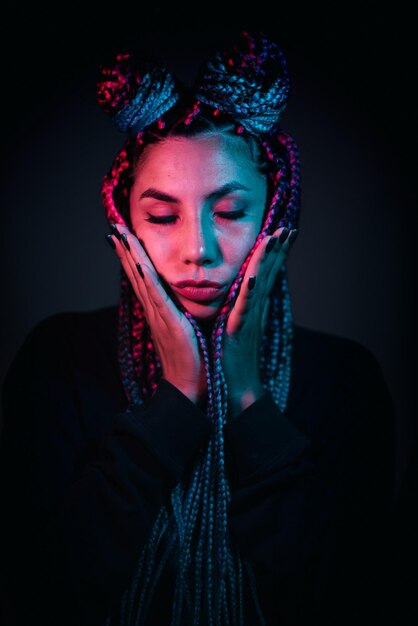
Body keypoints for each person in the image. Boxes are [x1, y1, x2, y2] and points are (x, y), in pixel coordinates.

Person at [0, 30, 397, 626]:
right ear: (124, 221)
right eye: (162, 215)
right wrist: (175, 400)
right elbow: (45, 590)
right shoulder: (57, 362)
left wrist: (247, 397)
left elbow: (341, 597)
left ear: (276, 212)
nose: (198, 250)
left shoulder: (347, 381)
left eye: (231, 212)